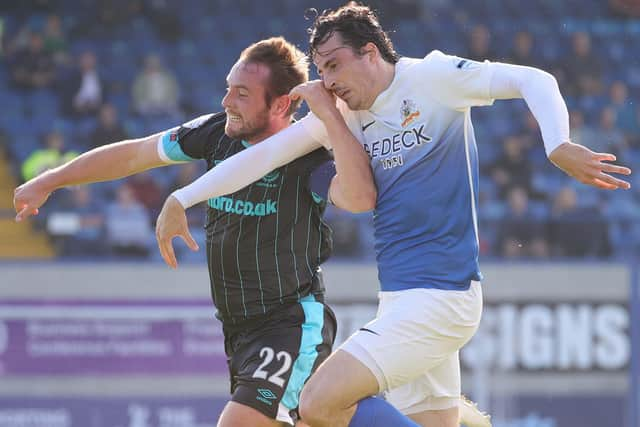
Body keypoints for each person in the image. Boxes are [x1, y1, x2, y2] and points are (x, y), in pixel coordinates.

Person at [150, 4, 632, 427]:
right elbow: (262, 156)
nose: (329, 80)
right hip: (401, 302)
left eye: (335, 64)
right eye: (320, 70)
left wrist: (558, 144)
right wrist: (182, 198)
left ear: (371, 53)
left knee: (316, 403)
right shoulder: (342, 112)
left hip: (442, 299)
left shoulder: (434, 78)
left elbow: (534, 79)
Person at [14, 37, 340, 427]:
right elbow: (136, 154)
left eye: (241, 93)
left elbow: (359, 195)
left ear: (280, 104)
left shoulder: (314, 156)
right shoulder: (217, 132)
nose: (226, 102)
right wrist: (52, 180)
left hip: (290, 322)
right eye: (227, 89)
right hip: (238, 330)